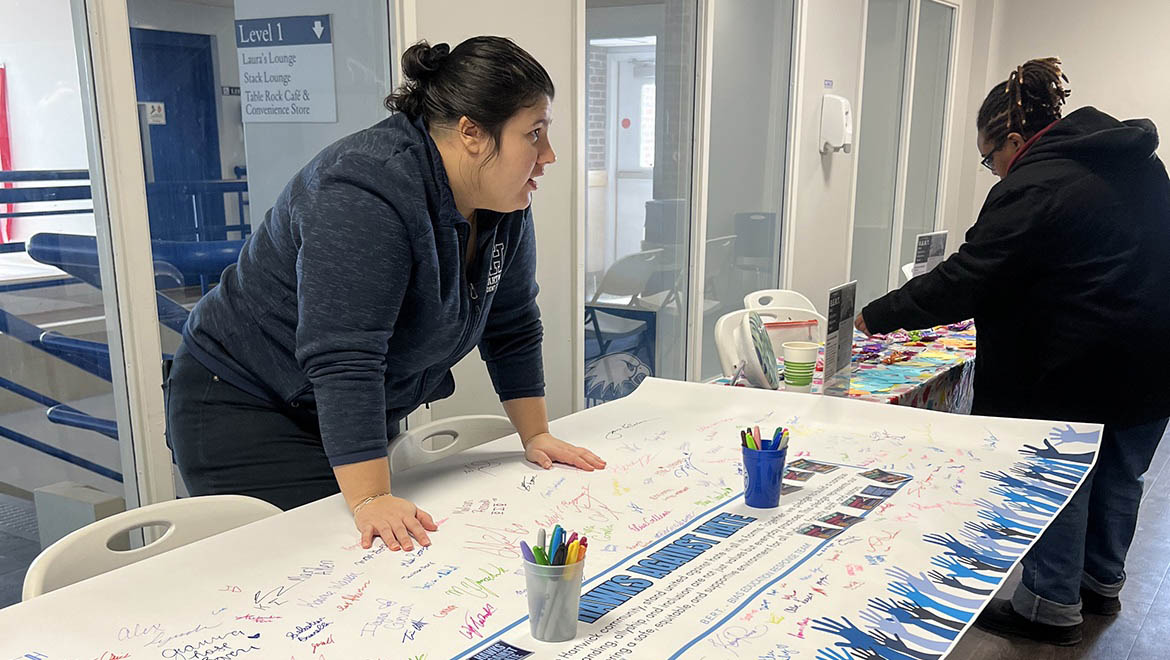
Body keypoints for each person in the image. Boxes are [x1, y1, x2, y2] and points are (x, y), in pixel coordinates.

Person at [166, 37, 606, 553]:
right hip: (248, 404)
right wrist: (371, 497)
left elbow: (510, 323)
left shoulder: (502, 202)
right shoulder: (363, 192)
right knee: (336, 568)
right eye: (534, 134)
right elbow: (346, 359)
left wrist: (536, 436)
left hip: (347, 405)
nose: (547, 156)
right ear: (471, 133)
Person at [855, 58, 1170, 645]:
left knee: (1061, 477)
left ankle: (1049, 608)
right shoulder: (1139, 163)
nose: (992, 171)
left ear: (1015, 141)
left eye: (988, 157)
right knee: (1121, 474)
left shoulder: (1034, 184)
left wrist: (880, 314)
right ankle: (1100, 584)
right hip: (1154, 359)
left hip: (1078, 364)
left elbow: (968, 278)